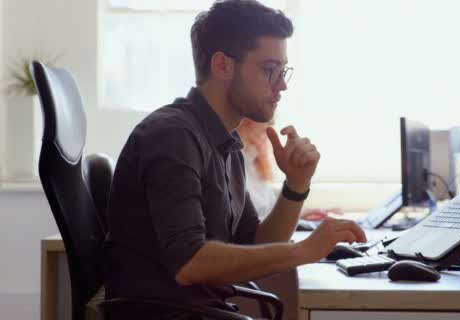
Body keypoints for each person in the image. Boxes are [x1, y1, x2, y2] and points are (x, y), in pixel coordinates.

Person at [103, 1, 366, 318]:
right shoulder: (172, 137)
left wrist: (296, 185)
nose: (281, 85)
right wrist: (302, 250)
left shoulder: (225, 142)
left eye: (283, 72)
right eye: (270, 70)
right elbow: (190, 264)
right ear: (222, 66)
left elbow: (256, 245)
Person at [238, 118, 342, 220]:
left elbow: (269, 203)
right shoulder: (234, 164)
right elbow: (251, 224)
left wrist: (304, 211)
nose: (272, 122)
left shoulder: (251, 159)